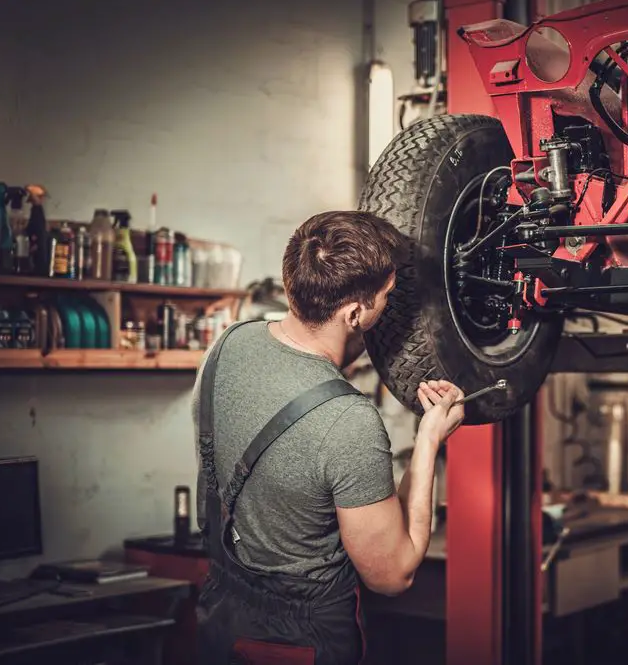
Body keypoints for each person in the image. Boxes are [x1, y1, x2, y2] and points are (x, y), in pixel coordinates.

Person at [192, 210, 465, 665]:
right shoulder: (348, 422)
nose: (388, 308)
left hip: (221, 614)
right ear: (355, 312)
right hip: (299, 640)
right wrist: (429, 439)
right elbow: (393, 575)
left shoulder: (229, 344)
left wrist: (349, 347)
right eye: (386, 297)